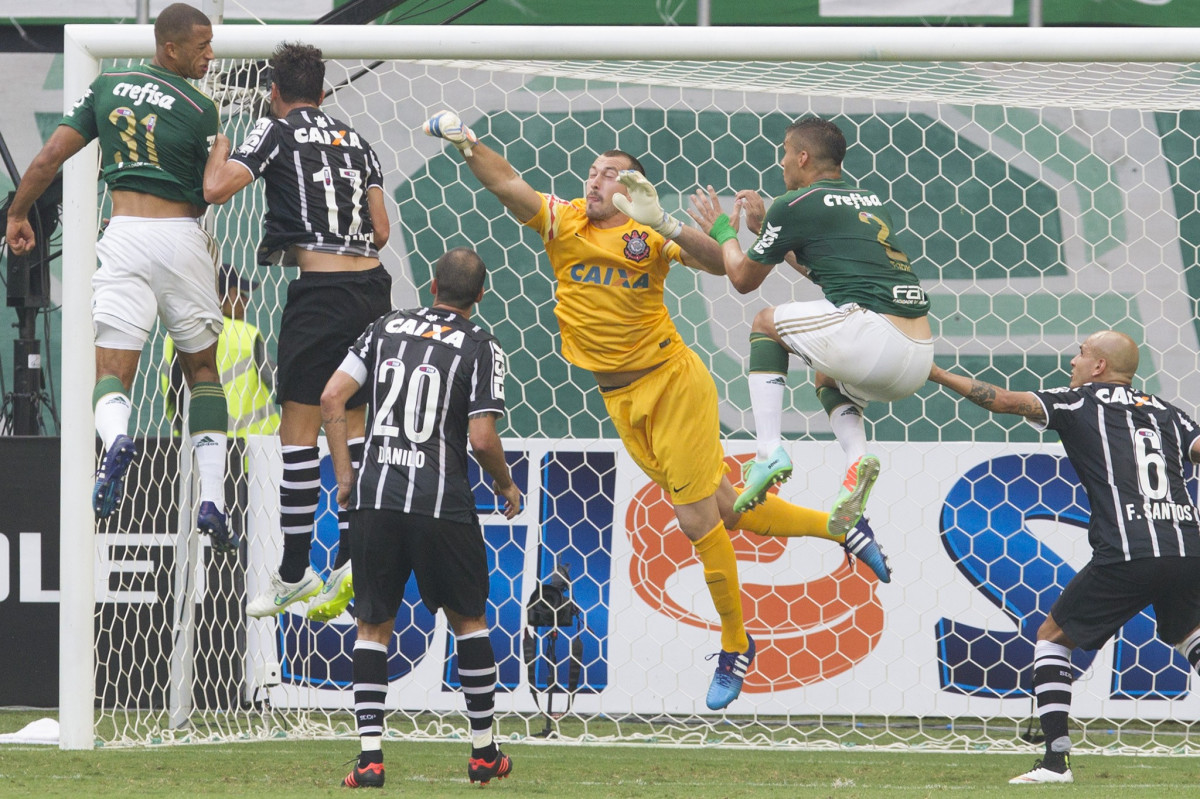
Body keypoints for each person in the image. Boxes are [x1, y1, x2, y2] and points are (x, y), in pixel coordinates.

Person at [422, 109, 891, 712]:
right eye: (591, 172)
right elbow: (507, 182)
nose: (594, 181)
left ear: (631, 189)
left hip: (672, 385)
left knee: (696, 520)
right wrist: (466, 142)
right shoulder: (562, 222)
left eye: (609, 174)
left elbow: (717, 263)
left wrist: (663, 219)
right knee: (728, 511)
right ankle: (840, 527)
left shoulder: (646, 233)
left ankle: (735, 645)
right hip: (619, 399)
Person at [4, 3, 233, 550]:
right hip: (181, 240)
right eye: (201, 45)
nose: (210, 54)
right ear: (169, 47)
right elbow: (209, 190)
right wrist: (223, 150)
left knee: (111, 371)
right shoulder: (203, 111)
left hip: (124, 234)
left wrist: (17, 214)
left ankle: (118, 441)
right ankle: (214, 499)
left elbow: (47, 160)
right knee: (202, 369)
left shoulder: (106, 88)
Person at [930, 330, 1200, 785]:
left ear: (1098, 367)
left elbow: (1001, 401)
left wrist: (936, 373)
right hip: (1187, 547)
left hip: (1129, 551)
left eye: (1080, 354)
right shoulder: (1170, 412)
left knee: (1052, 637)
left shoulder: (1080, 400)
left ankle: (1055, 762)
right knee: (1191, 636)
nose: (1072, 362)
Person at [204, 41, 392, 620]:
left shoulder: (275, 130)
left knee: (299, 430)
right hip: (373, 290)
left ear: (275, 92)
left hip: (322, 296)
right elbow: (381, 231)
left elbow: (216, 189)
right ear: (324, 90)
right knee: (356, 423)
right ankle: (355, 554)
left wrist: (219, 144)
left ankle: (292, 572)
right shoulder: (358, 142)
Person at [322, 247, 520, 789]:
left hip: (376, 497)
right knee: (468, 621)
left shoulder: (383, 328)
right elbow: (482, 437)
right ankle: (483, 752)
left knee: (372, 626)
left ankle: (368, 760)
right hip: (442, 503)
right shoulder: (481, 345)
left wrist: (345, 475)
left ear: (431, 287)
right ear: (480, 296)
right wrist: (505, 484)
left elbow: (332, 396)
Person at [685, 116, 934, 540]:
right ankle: (857, 459)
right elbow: (829, 275)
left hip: (875, 338)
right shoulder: (870, 200)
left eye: (785, 151)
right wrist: (768, 233)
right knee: (826, 372)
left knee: (765, 322)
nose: (781, 162)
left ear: (802, 157)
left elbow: (743, 279)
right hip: (918, 354)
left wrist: (725, 232)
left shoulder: (793, 205)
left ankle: (767, 452)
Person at [163, 263, 281, 438]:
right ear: (219, 296)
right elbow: (277, 382)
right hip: (251, 452)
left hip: (192, 444)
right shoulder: (245, 335)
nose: (246, 299)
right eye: (239, 293)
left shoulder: (174, 336)